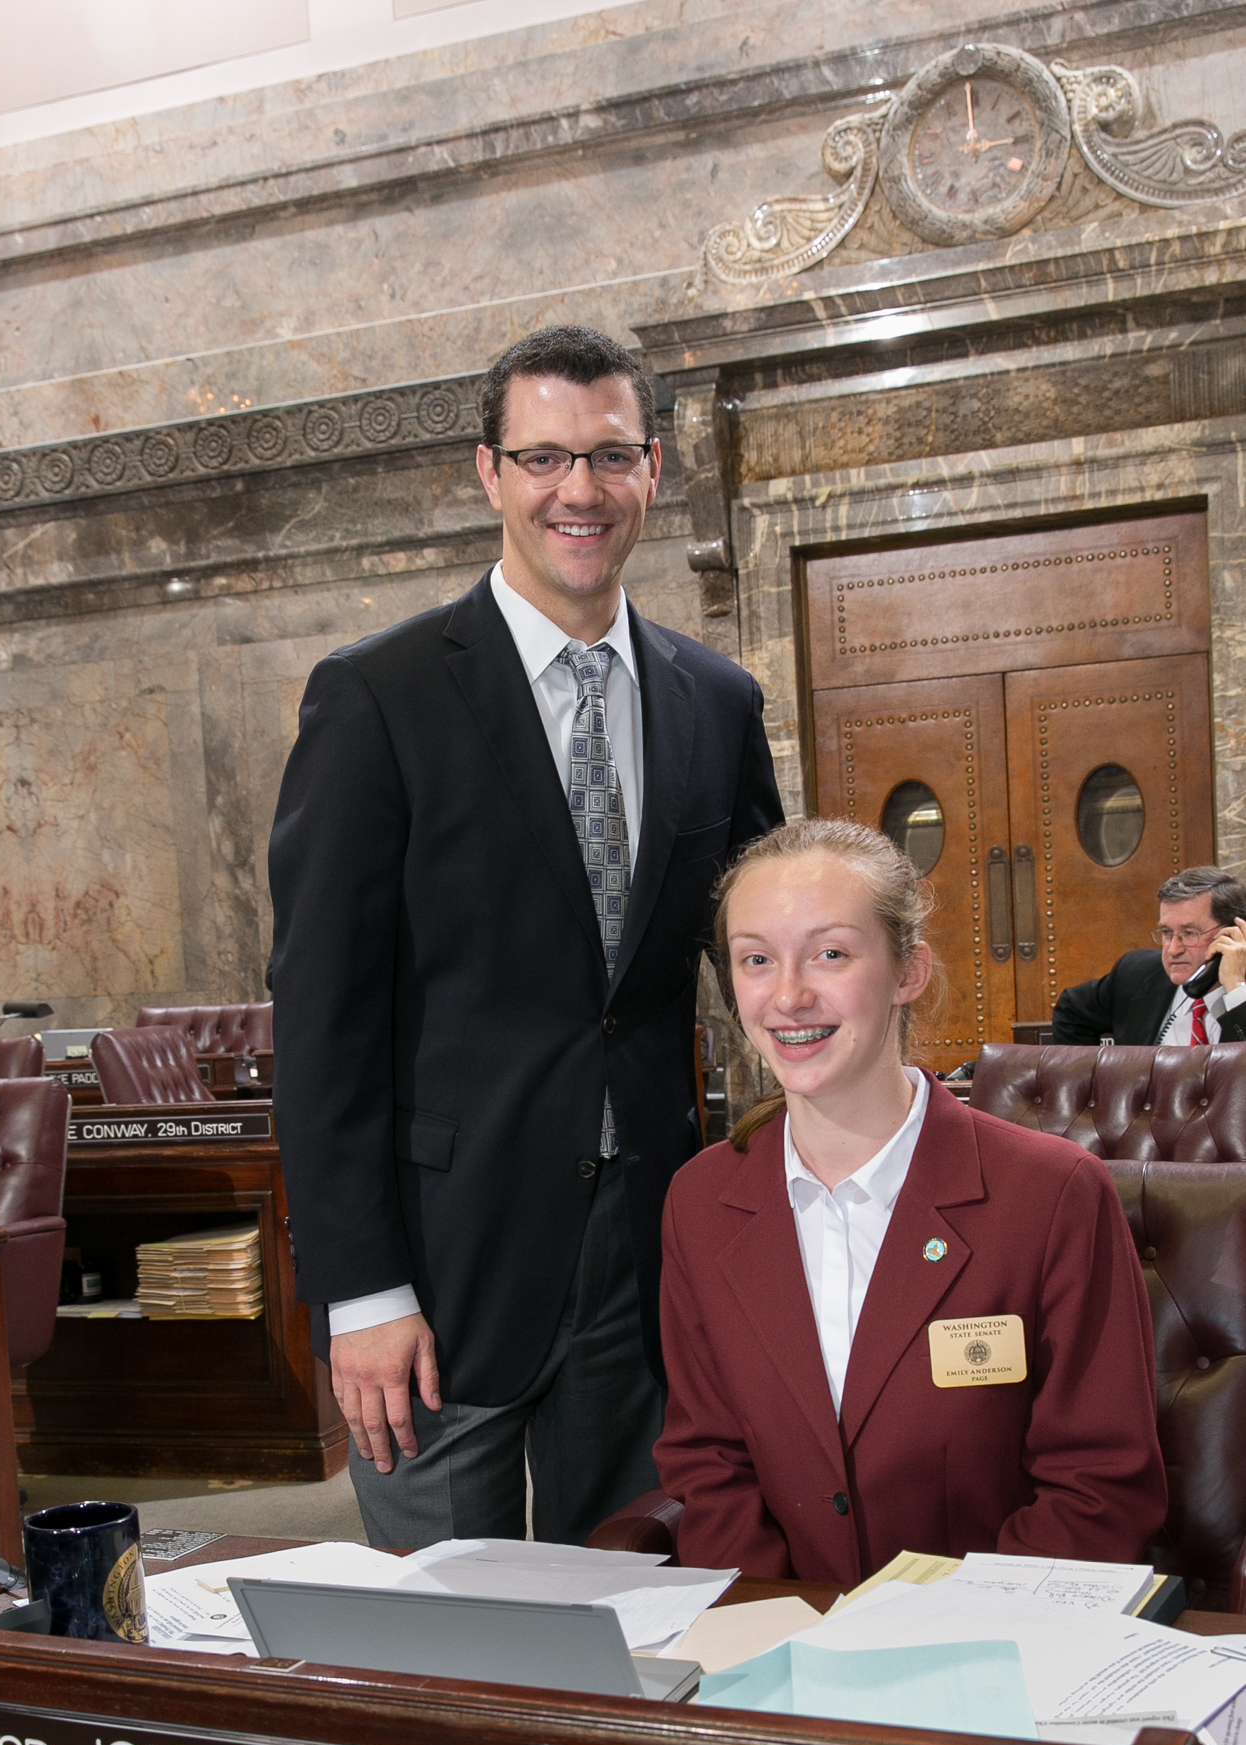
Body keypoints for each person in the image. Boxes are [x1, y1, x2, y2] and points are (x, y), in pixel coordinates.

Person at [268, 325, 783, 1547]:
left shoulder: (717, 702)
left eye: (610, 456)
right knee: (454, 1647)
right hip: (439, 1271)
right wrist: (362, 1291)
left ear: (655, 469)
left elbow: (764, 947)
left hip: (648, 1249)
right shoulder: (377, 697)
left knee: (641, 1596)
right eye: (544, 456)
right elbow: (323, 1020)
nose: (579, 491)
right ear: (489, 472)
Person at [653, 817, 1166, 1581]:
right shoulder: (699, 1202)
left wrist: (926, 1646)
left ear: (908, 972)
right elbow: (707, 1463)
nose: (789, 995)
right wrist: (780, 1630)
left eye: (830, 953)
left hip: (995, 1655)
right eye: (756, 959)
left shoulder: (1053, 1195)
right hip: (779, 1659)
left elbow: (1099, 1490)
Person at [1051, 866, 1246, 1044]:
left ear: (1233, 933)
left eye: (1189, 933)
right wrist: (1094, 1079)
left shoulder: (1242, 996)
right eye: (1167, 933)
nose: (1173, 950)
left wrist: (1237, 993)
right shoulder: (1136, 974)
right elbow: (1070, 1012)